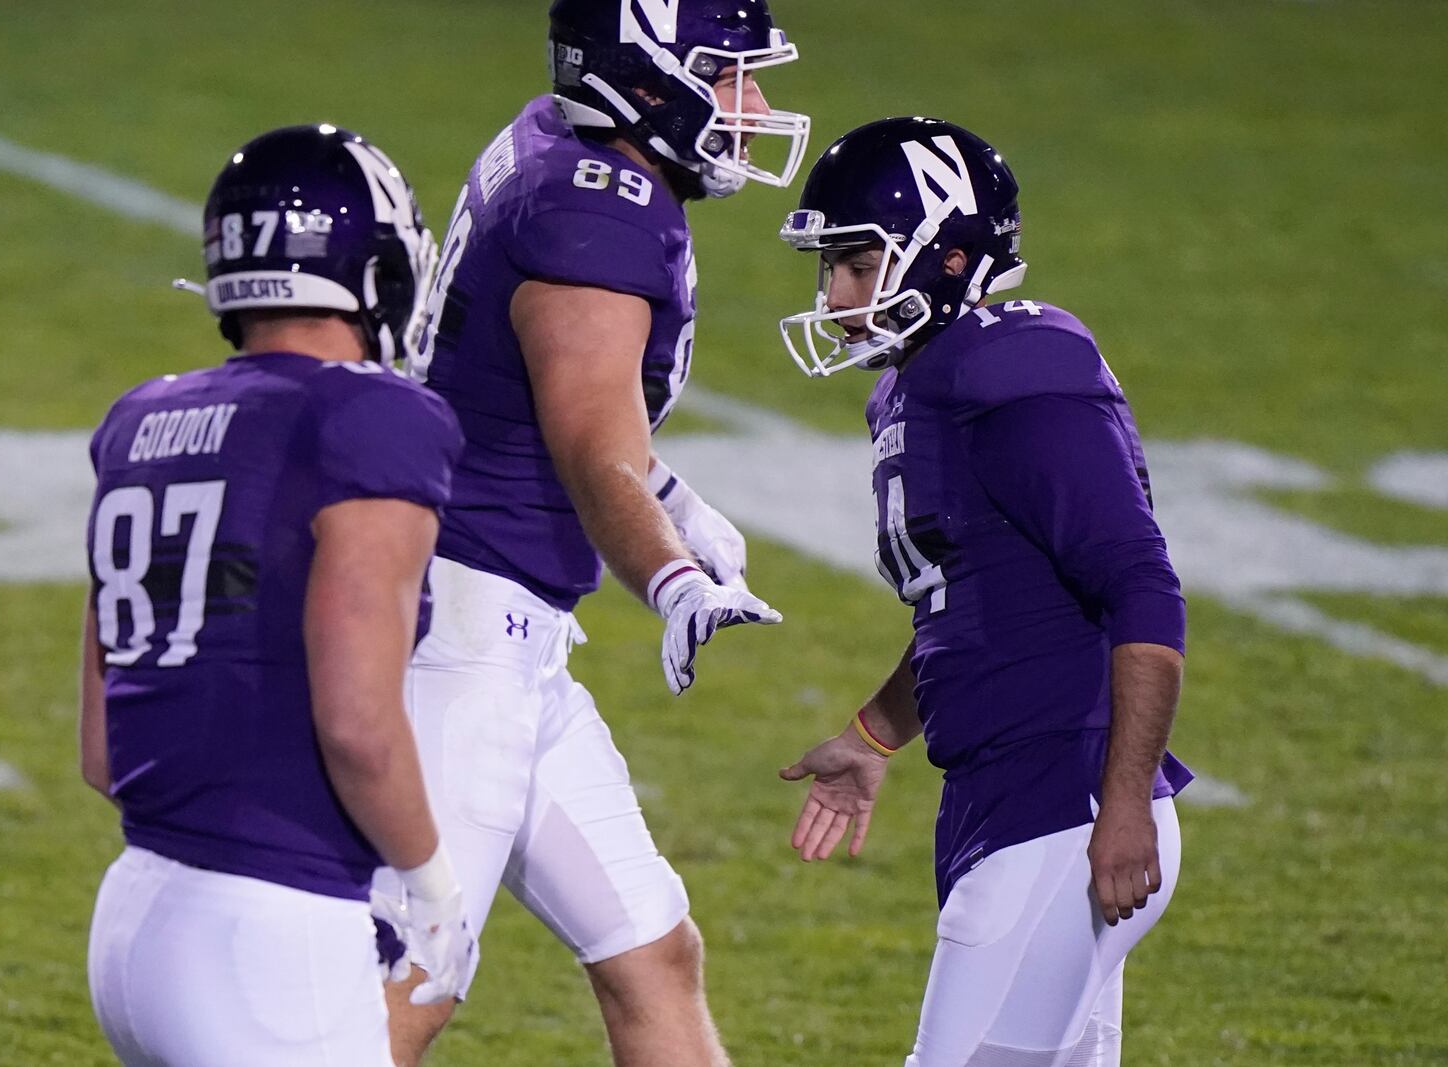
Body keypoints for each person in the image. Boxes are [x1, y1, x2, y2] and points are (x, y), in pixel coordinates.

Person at [371, 3, 810, 1065]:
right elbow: (584, 436)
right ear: (646, 76)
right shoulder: (600, 212)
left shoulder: (559, 143)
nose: (749, 106)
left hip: (496, 628)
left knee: (649, 951)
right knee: (409, 980)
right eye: (727, 75)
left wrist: (672, 489)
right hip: (465, 637)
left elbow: (556, 399)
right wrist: (670, 573)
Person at [776, 117, 1193, 1065]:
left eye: (857, 264)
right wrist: (875, 732)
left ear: (948, 256)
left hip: (1063, 805)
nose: (836, 295)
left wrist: (1121, 800)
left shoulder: (1018, 367)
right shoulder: (921, 387)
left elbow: (1143, 589)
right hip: (1009, 798)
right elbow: (960, 609)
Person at [80, 124, 476, 1067]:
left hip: (135, 911)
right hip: (267, 931)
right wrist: (431, 885)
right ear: (373, 271)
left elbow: (102, 748)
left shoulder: (141, 419)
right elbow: (356, 721)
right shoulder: (371, 416)